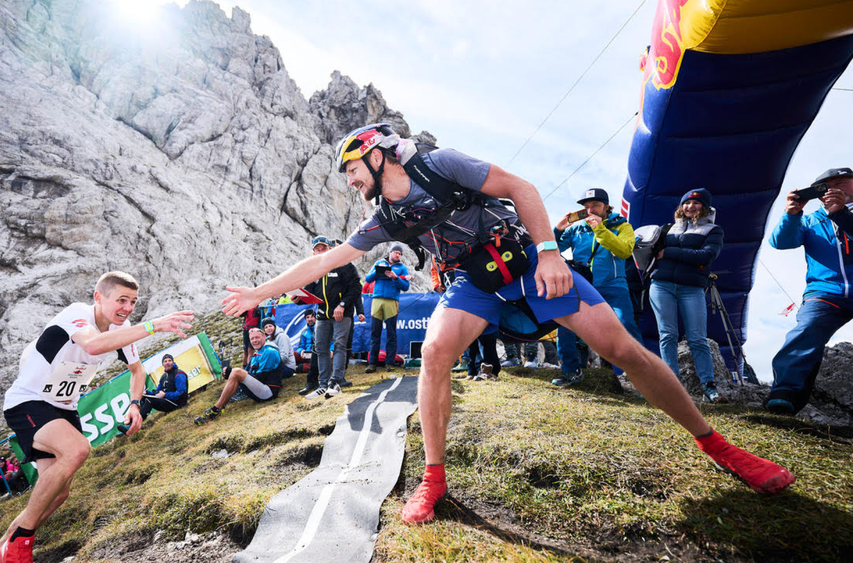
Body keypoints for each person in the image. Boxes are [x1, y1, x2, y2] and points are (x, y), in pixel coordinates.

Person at [222, 123, 794, 525]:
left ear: (377, 154)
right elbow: (324, 262)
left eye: (351, 168)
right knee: (435, 353)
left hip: (524, 261)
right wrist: (257, 291)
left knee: (624, 349)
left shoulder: (439, 164)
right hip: (472, 284)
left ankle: (722, 449)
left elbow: (521, 188)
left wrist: (550, 253)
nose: (349, 180)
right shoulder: (385, 217)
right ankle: (434, 479)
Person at [0, 271, 194, 563]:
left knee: (56, 494)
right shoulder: (77, 314)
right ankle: (20, 543)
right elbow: (94, 345)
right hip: (28, 401)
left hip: (64, 407)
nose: (128, 308)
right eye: (122, 300)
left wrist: (135, 403)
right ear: (99, 297)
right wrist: (154, 325)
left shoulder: (124, 329)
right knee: (78, 449)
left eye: (133, 302)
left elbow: (139, 371)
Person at [766, 167, 853, 415]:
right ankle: (785, 393)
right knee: (806, 328)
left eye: (843, 183)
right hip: (825, 292)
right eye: (827, 185)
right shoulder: (810, 219)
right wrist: (791, 214)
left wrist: (842, 215)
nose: (835, 188)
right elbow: (780, 243)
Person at [552, 188, 643, 390]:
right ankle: (570, 371)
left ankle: (642, 378)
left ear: (606, 207)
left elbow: (624, 250)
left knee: (626, 325)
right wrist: (558, 230)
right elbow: (549, 248)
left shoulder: (623, 226)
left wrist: (600, 229)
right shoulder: (576, 229)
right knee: (564, 322)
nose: (590, 210)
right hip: (583, 286)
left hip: (614, 287)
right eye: (586, 207)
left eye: (595, 205)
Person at [648, 188, 727, 404]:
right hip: (661, 285)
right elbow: (650, 253)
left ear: (705, 206)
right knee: (667, 335)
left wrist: (669, 253)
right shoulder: (666, 229)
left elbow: (706, 256)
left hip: (691, 288)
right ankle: (672, 386)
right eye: (686, 203)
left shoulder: (713, 230)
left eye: (696, 203)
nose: (690, 207)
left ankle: (709, 387)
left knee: (697, 339)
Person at [301, 236, 365, 399]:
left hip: (342, 314)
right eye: (318, 249)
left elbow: (357, 288)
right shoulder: (314, 269)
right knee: (320, 348)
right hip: (322, 315)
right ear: (313, 252)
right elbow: (310, 291)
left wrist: (342, 305)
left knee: (339, 345)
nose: (321, 251)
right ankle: (323, 384)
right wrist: (299, 298)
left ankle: (335, 382)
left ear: (330, 249)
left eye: (324, 248)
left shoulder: (344, 265)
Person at [194, 327, 283, 424]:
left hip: (268, 393)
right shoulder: (257, 354)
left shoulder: (269, 352)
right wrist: (229, 374)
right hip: (260, 391)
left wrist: (235, 373)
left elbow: (260, 378)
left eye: (257, 337)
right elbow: (248, 375)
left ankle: (216, 409)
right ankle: (220, 406)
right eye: (252, 339)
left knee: (237, 372)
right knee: (235, 373)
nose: (255, 341)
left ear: (264, 337)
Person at [364, 244, 411, 372]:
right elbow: (368, 279)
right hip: (377, 300)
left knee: (391, 332)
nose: (398, 255)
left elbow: (406, 286)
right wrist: (378, 270)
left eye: (400, 254)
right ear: (390, 252)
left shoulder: (402, 268)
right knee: (375, 332)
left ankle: (389, 362)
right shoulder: (379, 263)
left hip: (392, 301)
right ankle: (372, 363)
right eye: (396, 252)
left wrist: (395, 277)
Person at [116, 354, 191, 434]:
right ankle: (129, 423)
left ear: (173, 362)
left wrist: (165, 395)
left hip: (178, 404)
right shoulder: (164, 376)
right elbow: (157, 393)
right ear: (163, 364)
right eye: (165, 361)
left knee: (149, 400)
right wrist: (145, 393)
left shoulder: (179, 374)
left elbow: (181, 393)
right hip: (167, 401)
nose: (167, 363)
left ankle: (133, 426)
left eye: (169, 360)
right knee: (144, 397)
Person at [295, 309, 320, 395]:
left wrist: (331, 350)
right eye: (307, 317)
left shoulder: (321, 328)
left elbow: (331, 342)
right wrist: (301, 351)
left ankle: (311, 382)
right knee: (293, 354)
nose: (310, 319)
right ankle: (293, 368)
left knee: (311, 364)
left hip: (318, 354)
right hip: (307, 355)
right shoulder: (304, 331)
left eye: (312, 316)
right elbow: (300, 346)